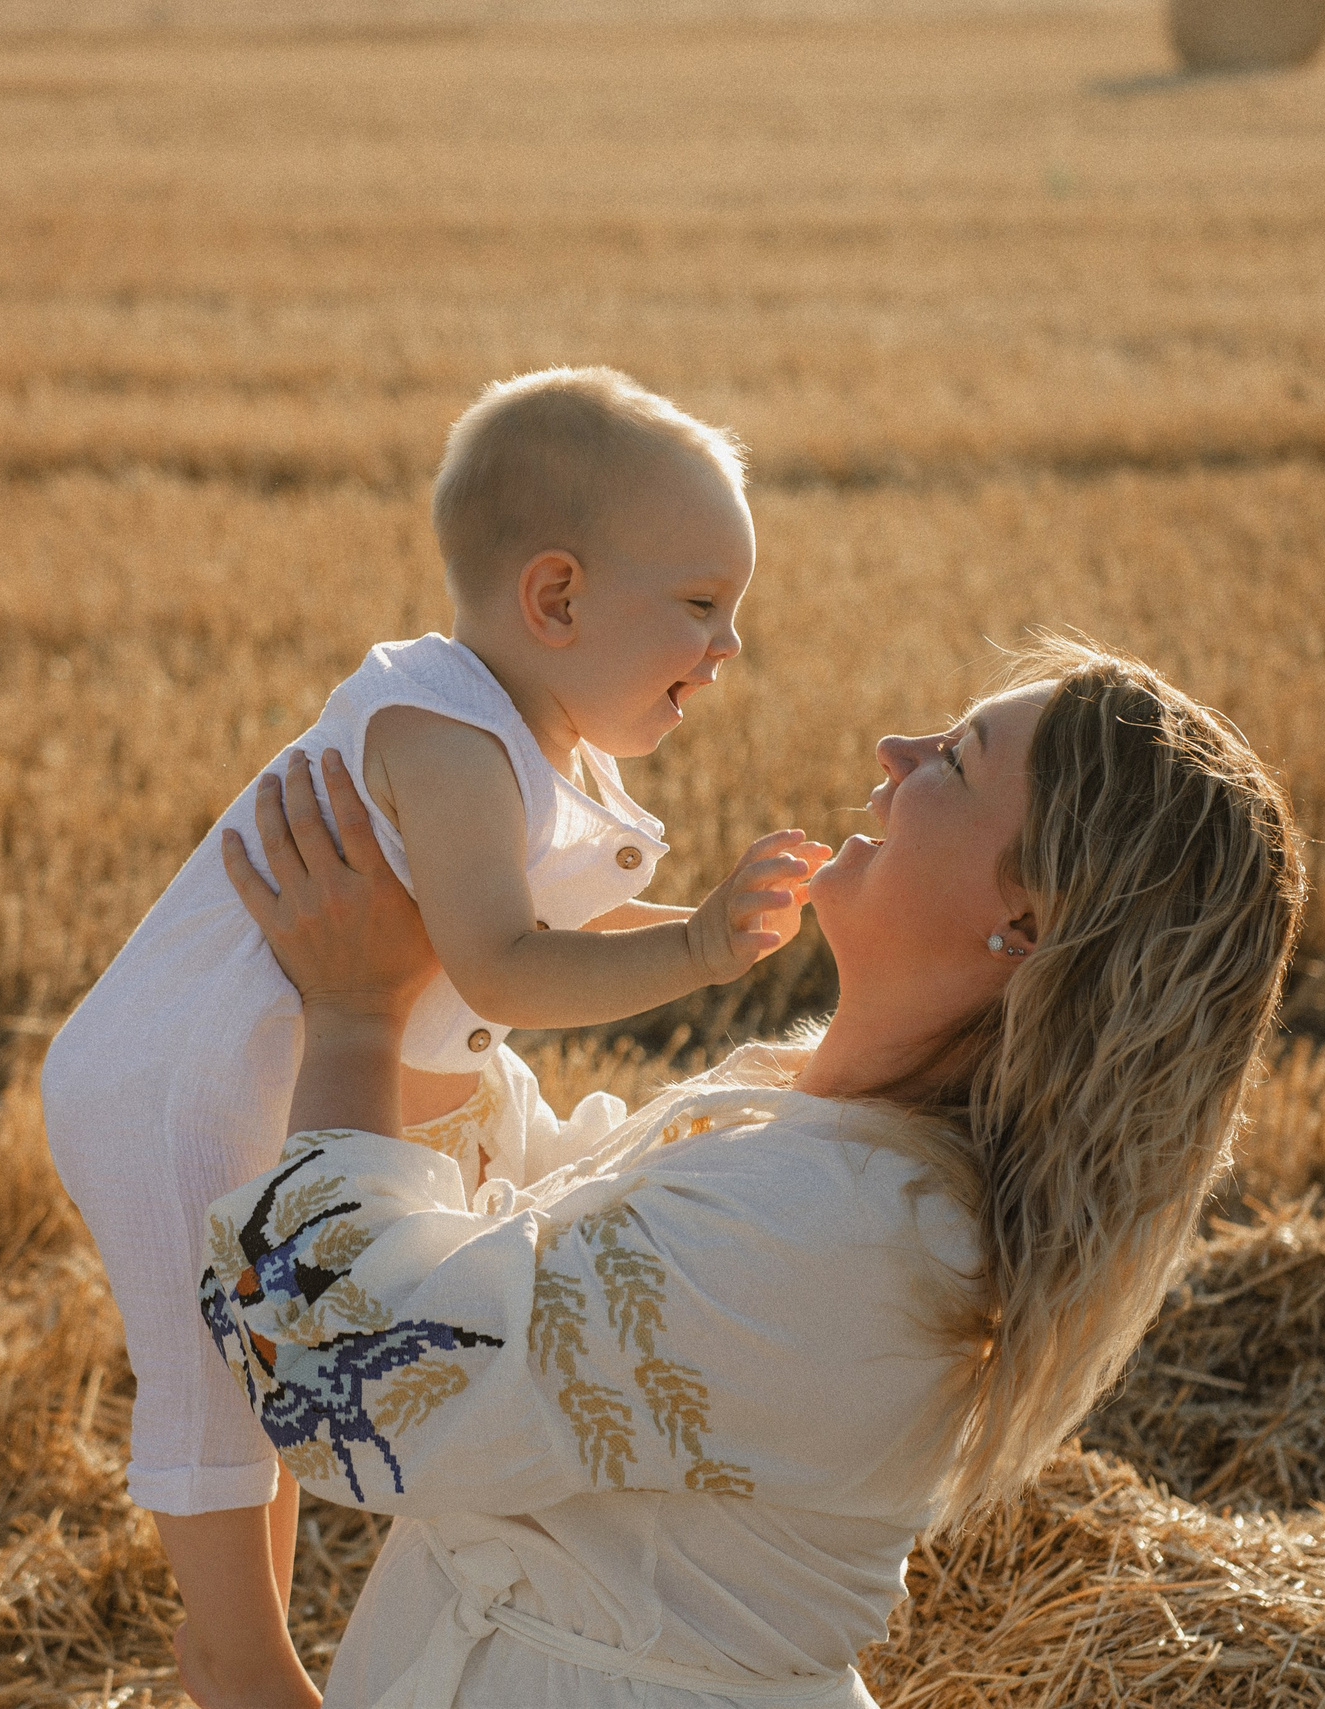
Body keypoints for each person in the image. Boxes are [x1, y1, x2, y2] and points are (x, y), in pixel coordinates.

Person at [209, 638, 1307, 1707]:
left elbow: (345, 1374)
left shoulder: (845, 1233)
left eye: (959, 760)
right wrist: (446, 980)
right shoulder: (827, 1127)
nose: (895, 748)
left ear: (1024, 922)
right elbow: (552, 1225)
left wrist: (358, 1014)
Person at [40, 368, 821, 1703]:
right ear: (557, 598)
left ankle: (248, 1630)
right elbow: (502, 963)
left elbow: (536, 911)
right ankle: (234, 1655)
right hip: (185, 1079)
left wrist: (721, 919)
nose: (728, 644)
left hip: (266, 1070)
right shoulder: (447, 731)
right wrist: (696, 949)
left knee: (263, 1350)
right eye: (700, 605)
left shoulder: (542, 736)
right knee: (218, 1372)